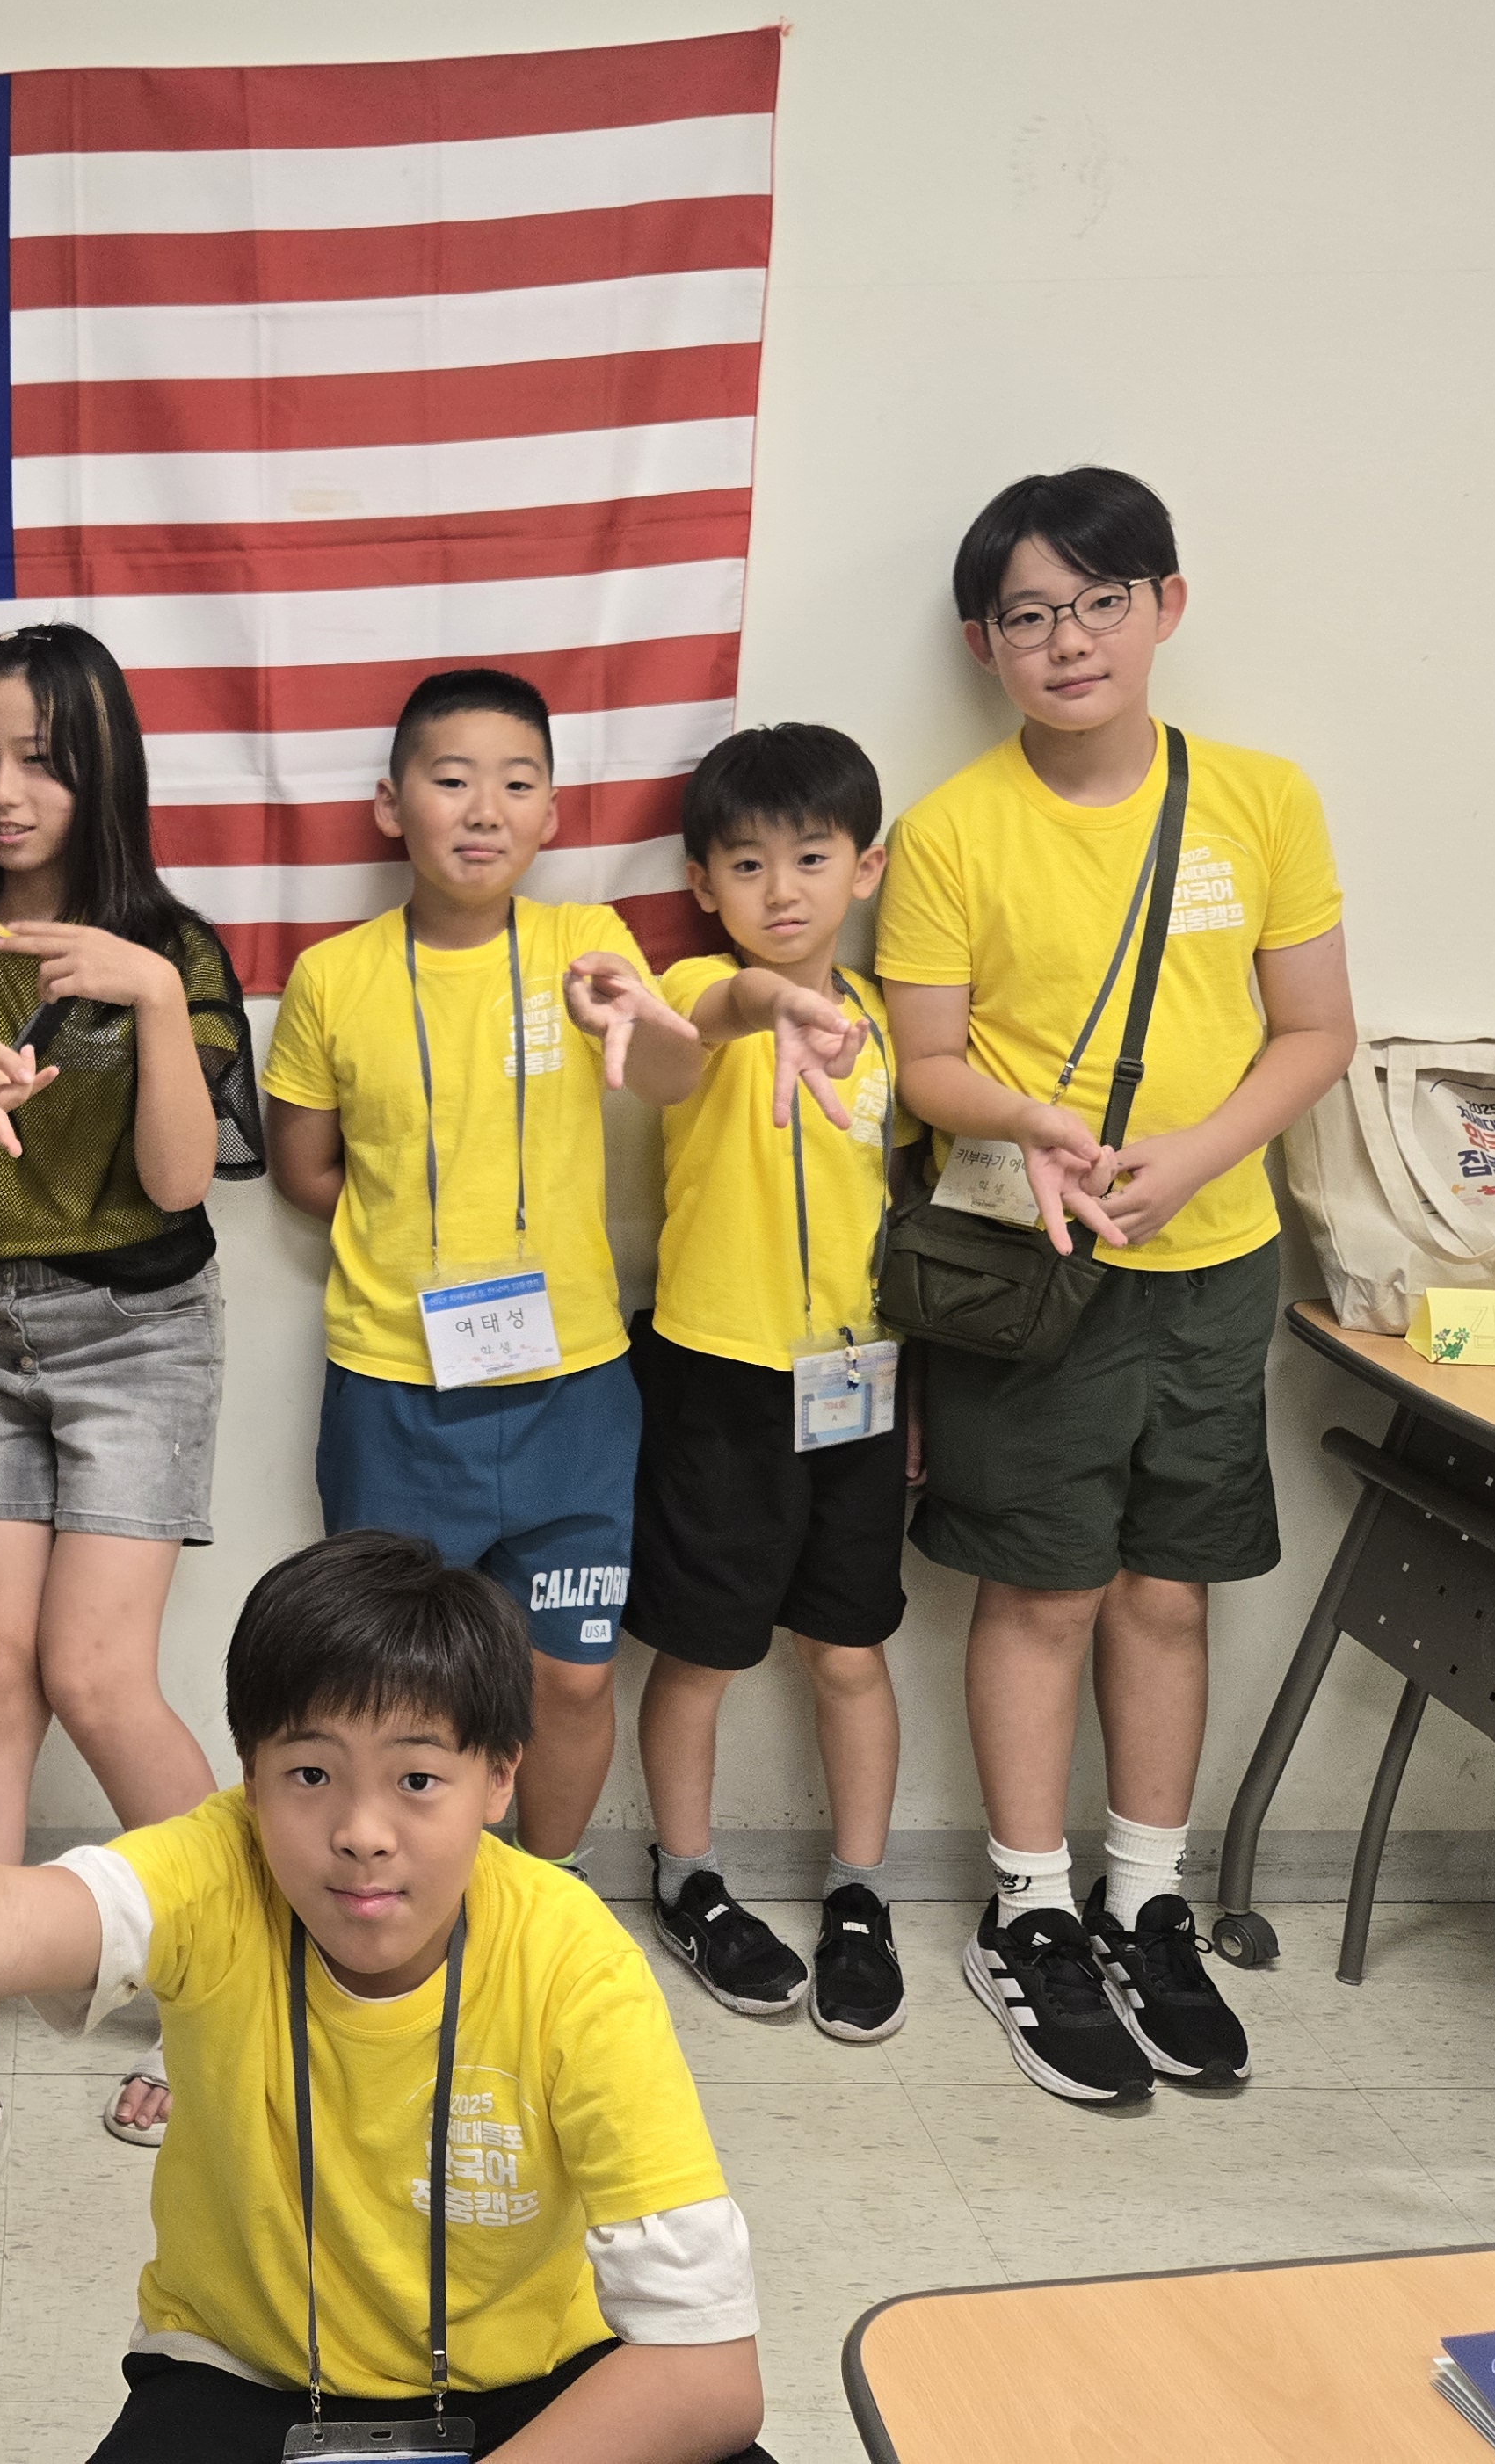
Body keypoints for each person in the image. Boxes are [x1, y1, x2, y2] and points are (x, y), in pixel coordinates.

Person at [0, 1532, 775, 2464]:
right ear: (249, 1776)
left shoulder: (575, 1964)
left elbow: (710, 2373)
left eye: (418, 1780)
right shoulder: (218, 1869)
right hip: (248, 2381)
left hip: (533, 2388)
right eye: (311, 1773)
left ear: (501, 1779)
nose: (361, 1831)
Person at [879, 467, 1353, 2105]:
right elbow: (926, 1063)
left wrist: (1199, 1155)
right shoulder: (950, 831)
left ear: (1165, 606)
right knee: (1042, 1593)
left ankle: (1147, 1898)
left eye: (1099, 601)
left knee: (1167, 1590)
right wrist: (1035, 1128)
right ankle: (1027, 1910)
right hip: (1037, 1272)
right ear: (983, 643)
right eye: (1029, 614)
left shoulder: (1262, 800)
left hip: (1217, 1270)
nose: (1068, 640)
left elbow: (1316, 1029)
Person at [0, 621, 267, 2294]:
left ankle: (243, 1995)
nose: (4, 791)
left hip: (141, 1331)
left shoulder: (176, 946)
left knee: (95, 1672)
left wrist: (147, 994)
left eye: (41, 758)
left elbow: (179, 1181)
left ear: (102, 768)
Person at [264, 667, 703, 1881]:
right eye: (451, 779)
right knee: (391, 1689)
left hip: (574, 1389)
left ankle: (542, 1897)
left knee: (571, 1676)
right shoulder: (334, 975)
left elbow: (673, 1081)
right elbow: (303, 1169)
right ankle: (403, 1897)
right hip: (395, 1391)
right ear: (391, 805)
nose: (483, 809)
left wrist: (637, 1023)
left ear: (551, 815)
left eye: (517, 784)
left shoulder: (584, 945)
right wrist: (414, 1236)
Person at [624, 725, 908, 2040]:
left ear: (866, 867)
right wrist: (764, 1003)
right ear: (702, 882)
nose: (781, 890)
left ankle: (861, 1891)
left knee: (849, 1649)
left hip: (858, 1378)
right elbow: (693, 1031)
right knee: (702, 1651)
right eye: (746, 865)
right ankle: (687, 1876)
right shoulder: (697, 988)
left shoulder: (889, 1025)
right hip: (717, 1376)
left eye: (811, 858)